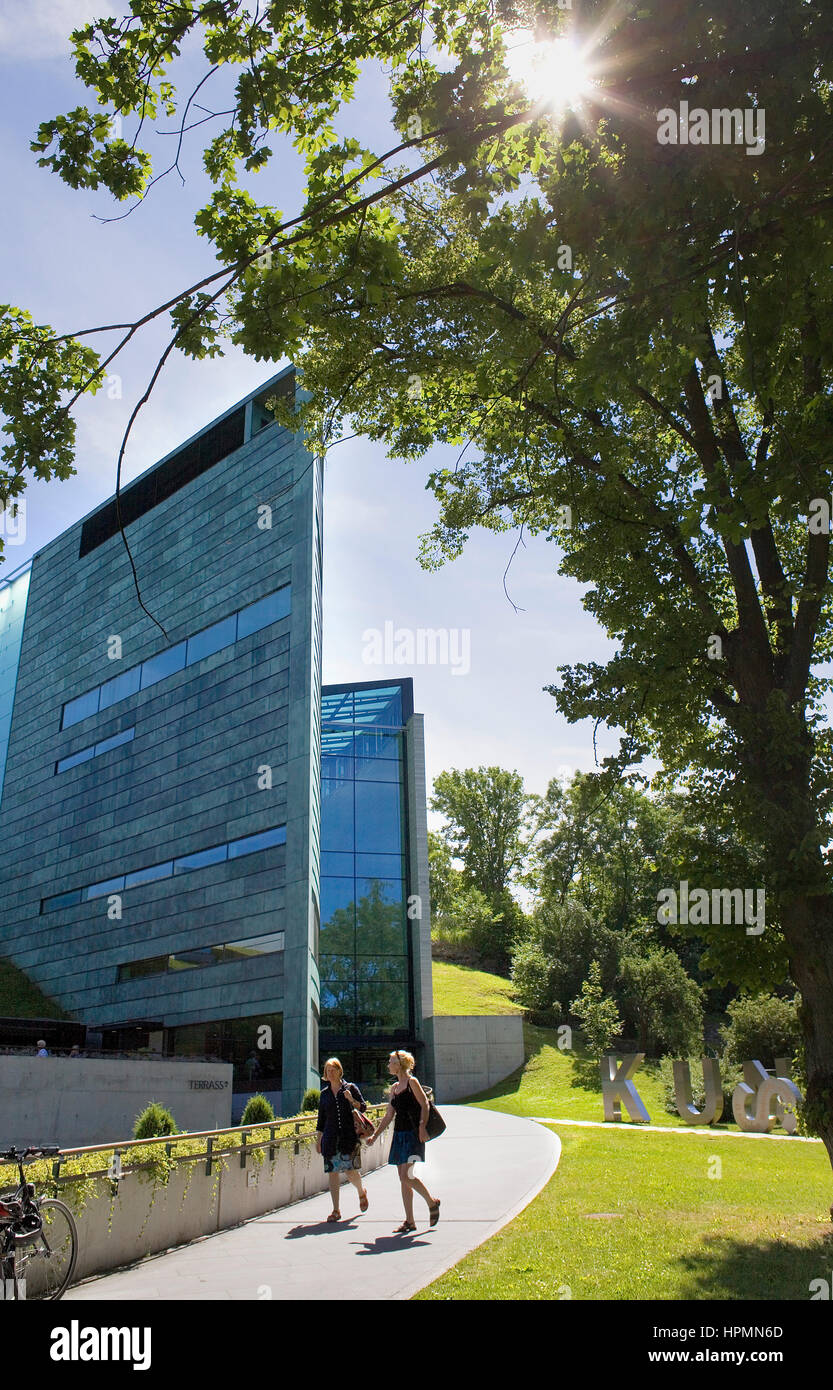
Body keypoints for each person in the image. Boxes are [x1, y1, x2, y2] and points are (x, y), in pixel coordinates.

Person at [367, 1049, 440, 1234]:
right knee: (404, 1179)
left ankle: (431, 1202)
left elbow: (424, 1104)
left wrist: (422, 1126)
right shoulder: (394, 1089)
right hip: (399, 1135)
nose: (388, 1065)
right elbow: (389, 1115)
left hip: (413, 1135)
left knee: (406, 1176)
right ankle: (410, 1221)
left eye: (391, 1062)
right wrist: (375, 1135)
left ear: (399, 1065)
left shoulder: (412, 1083)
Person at [315, 1057, 369, 1222]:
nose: (330, 1073)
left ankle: (361, 1191)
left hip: (348, 1136)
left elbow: (364, 1107)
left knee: (350, 1171)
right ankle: (336, 1210)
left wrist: (351, 1100)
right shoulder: (324, 1094)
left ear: (339, 1071)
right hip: (330, 1138)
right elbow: (321, 1119)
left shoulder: (350, 1088)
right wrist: (318, 1140)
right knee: (332, 1173)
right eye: (327, 1071)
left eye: (333, 1070)